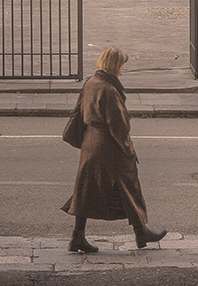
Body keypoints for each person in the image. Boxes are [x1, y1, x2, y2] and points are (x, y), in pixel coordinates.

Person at [63, 46, 166, 253]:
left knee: (87, 190)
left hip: (90, 143)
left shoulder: (91, 82)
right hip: (108, 147)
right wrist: (128, 149)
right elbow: (119, 125)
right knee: (129, 186)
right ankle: (141, 231)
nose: (122, 69)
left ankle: (79, 237)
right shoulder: (109, 89)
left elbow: (80, 110)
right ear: (114, 65)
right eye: (121, 65)